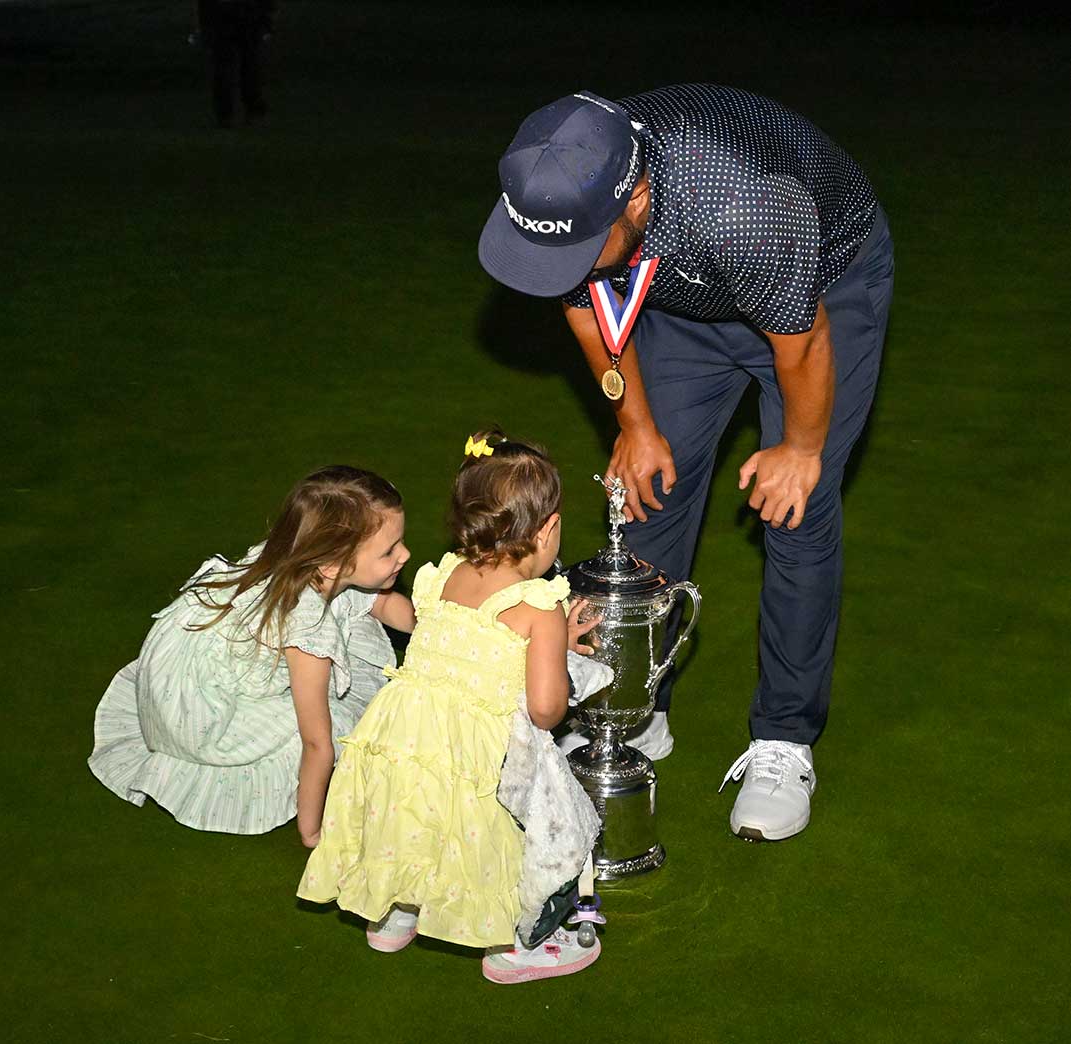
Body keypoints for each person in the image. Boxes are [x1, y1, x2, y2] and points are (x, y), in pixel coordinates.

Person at [478, 86, 894, 842]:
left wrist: (800, 451)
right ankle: (634, 709)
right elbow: (581, 301)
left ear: (637, 200)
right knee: (646, 493)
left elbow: (801, 342)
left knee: (795, 510)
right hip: (685, 296)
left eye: (572, 250)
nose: (554, 269)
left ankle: (784, 739)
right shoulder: (570, 180)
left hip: (821, 289)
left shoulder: (744, 206)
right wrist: (635, 426)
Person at [298, 432, 603, 984]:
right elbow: (544, 709)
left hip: (403, 734)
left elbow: (468, 641)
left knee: (410, 816)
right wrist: (555, 653)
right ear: (548, 529)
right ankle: (513, 946)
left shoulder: (441, 576)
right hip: (472, 752)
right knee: (498, 836)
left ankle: (395, 913)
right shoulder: (540, 605)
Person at [88, 466, 414, 841]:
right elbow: (316, 743)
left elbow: (383, 604)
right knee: (338, 723)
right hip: (203, 710)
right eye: (389, 551)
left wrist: (439, 624)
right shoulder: (307, 629)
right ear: (331, 564)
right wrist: (312, 831)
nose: (405, 554)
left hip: (200, 658)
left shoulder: (303, 555)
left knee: (356, 620)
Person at [196, 0, 273, 127]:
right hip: (245, 16)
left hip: (228, 18)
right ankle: (250, 111)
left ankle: (228, 114)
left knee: (230, 68)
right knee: (248, 66)